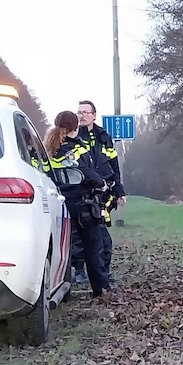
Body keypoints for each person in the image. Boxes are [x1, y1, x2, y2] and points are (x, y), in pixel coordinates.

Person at [43, 110, 114, 303]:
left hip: (57, 204)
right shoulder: (78, 150)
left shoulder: (48, 150)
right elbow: (89, 174)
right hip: (83, 205)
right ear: (75, 128)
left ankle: (59, 289)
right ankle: (101, 290)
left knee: (61, 249)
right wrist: (102, 184)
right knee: (94, 248)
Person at [76, 100, 125, 275]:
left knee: (101, 236)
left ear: (94, 115)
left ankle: (103, 272)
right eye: (79, 112)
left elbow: (114, 165)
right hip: (80, 191)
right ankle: (80, 271)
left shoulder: (103, 137)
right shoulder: (73, 136)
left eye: (85, 112)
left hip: (102, 193)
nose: (81, 116)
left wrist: (119, 191)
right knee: (78, 236)